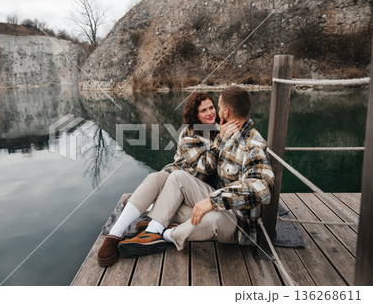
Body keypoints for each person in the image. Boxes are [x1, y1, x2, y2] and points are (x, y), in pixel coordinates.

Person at [117, 86, 275, 257]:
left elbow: (262, 189)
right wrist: (213, 199)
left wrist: (214, 201)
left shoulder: (253, 145)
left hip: (237, 221)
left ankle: (167, 233)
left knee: (209, 219)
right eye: (204, 110)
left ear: (226, 112)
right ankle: (153, 230)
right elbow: (204, 167)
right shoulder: (221, 133)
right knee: (175, 177)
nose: (214, 112)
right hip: (208, 194)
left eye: (217, 107)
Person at [97, 92, 239, 266]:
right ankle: (115, 235)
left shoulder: (220, 130)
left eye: (211, 108)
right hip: (176, 180)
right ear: (195, 115)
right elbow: (205, 166)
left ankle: (153, 214)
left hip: (195, 194)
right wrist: (221, 141)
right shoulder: (189, 134)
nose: (210, 112)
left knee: (196, 216)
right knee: (155, 177)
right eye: (203, 110)